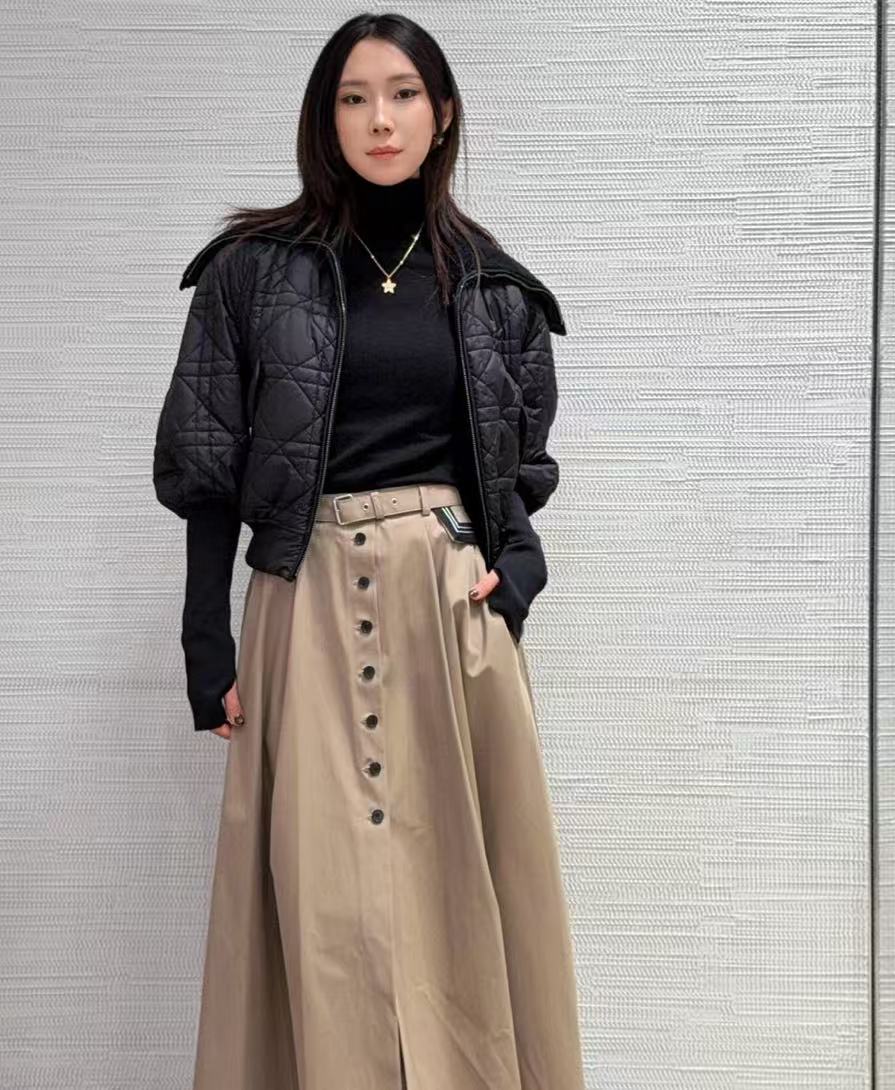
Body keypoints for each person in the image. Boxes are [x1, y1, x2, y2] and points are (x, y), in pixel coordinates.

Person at [153, 13, 584, 1090]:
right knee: (322, 896)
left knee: (463, 890)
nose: (378, 119)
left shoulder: (493, 287)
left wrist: (519, 569)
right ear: (324, 118)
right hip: (300, 597)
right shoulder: (250, 273)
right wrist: (206, 640)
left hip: (448, 605)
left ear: (442, 116)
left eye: (401, 95)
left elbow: (516, 464)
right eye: (353, 97)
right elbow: (207, 461)